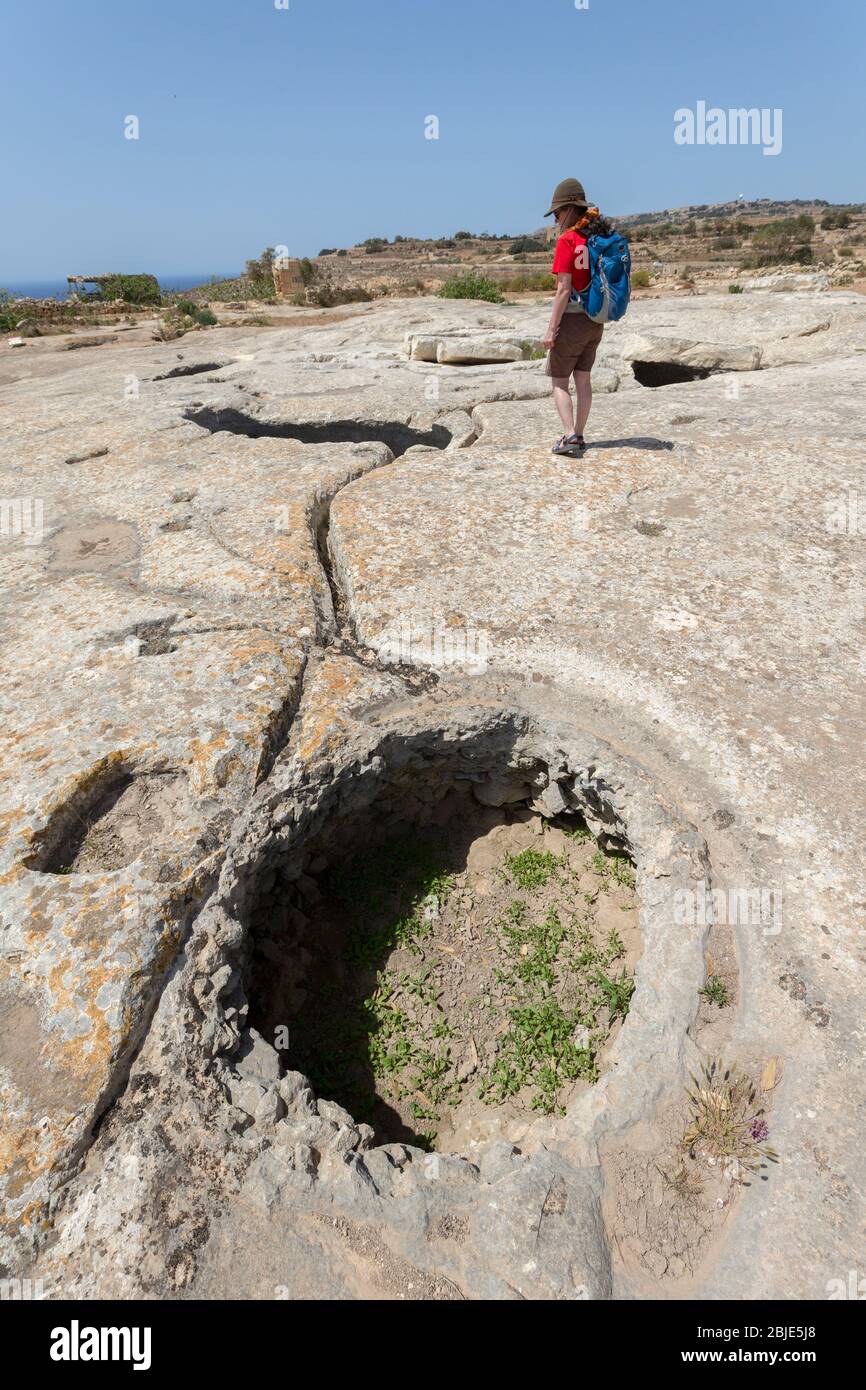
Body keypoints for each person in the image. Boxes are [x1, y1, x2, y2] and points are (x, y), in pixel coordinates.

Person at [542, 177, 614, 455]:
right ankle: (580, 435)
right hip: (596, 320)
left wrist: (551, 330)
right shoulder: (597, 239)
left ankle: (570, 435)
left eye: (558, 212)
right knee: (583, 379)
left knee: (559, 381)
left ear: (571, 209)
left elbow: (563, 289)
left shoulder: (568, 241)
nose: (556, 218)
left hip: (572, 320)